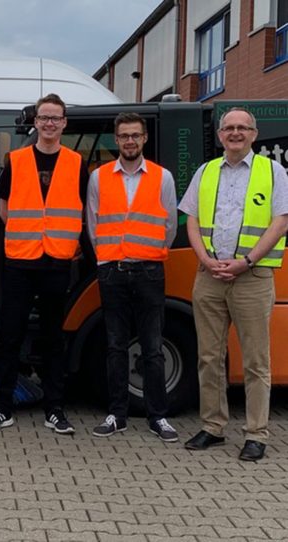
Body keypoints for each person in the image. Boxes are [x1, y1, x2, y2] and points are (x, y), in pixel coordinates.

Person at [179, 107, 288, 461]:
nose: (236, 133)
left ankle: (256, 433)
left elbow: (280, 223)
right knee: (209, 357)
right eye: (229, 128)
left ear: (254, 134)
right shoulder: (206, 171)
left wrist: (246, 262)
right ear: (221, 134)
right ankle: (213, 427)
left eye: (243, 128)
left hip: (252, 278)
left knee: (257, 361)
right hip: (209, 276)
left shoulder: (274, 172)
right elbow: (192, 221)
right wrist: (207, 260)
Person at [0, 93, 89, 434]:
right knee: (9, 336)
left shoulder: (76, 163)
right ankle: (2, 407)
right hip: (21, 262)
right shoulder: (16, 160)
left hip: (56, 261)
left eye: (56, 118)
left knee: (53, 338)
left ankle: (54, 408)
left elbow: (84, 208)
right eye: (44, 118)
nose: (50, 123)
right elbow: (3, 206)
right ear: (36, 122)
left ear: (64, 123)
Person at [86, 113, 179, 442]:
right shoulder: (98, 177)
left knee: (152, 347)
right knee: (115, 346)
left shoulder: (162, 176)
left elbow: (169, 225)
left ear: (144, 139)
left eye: (135, 135)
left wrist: (149, 252)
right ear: (116, 139)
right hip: (112, 269)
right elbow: (93, 224)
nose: (129, 141)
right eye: (124, 135)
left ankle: (158, 416)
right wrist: (109, 257)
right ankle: (117, 414)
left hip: (149, 269)